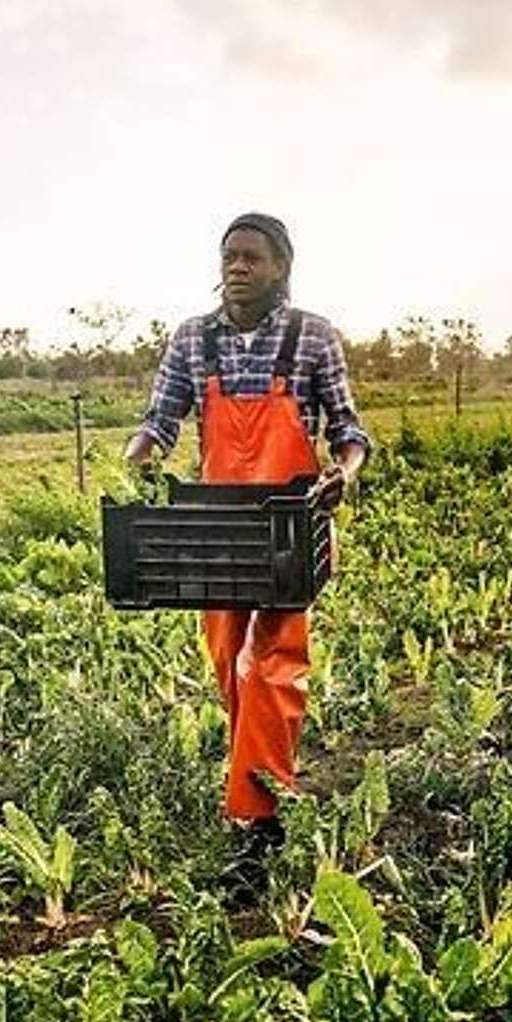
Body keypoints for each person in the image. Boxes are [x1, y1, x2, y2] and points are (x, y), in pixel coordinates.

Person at [124, 212, 370, 862]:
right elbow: (162, 417)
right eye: (228, 256)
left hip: (289, 525)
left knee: (270, 663)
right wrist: (140, 453)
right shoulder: (191, 339)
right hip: (217, 528)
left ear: (279, 266)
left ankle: (257, 821)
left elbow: (349, 431)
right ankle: (258, 784)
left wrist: (340, 474)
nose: (236, 267)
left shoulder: (312, 337)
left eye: (250, 258)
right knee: (228, 664)